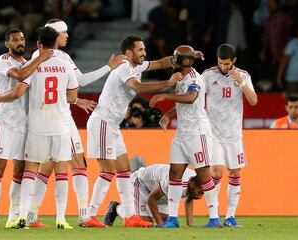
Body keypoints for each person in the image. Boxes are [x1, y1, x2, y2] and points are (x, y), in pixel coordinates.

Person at [25, 18, 125, 228]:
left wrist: (75, 100)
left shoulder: (35, 57)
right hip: (61, 120)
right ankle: (83, 215)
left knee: (47, 167)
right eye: (64, 33)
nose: (67, 36)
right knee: (78, 164)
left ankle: (31, 215)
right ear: (56, 35)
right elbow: (79, 81)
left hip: (39, 119)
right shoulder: (61, 58)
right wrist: (108, 67)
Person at [85, 34, 188, 228]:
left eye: (144, 49)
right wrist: (168, 84)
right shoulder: (124, 67)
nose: (144, 53)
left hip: (112, 125)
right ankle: (89, 215)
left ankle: (131, 216)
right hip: (102, 122)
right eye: (140, 50)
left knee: (124, 171)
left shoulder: (137, 65)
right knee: (107, 172)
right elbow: (138, 87)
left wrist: (184, 57)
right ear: (129, 52)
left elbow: (160, 62)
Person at [0, 26, 79, 229]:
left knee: (30, 171)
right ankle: (61, 218)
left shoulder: (32, 65)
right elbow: (73, 97)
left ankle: (23, 215)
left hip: (37, 125)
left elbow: (18, 91)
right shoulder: (66, 64)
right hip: (60, 124)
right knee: (61, 172)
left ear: (39, 45)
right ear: (56, 42)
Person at [0, 28, 53, 230]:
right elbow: (20, 76)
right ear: (7, 43)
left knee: (20, 171)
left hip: (24, 123)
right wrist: (40, 59)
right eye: (15, 40)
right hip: (5, 121)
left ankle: (13, 214)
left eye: (22, 38)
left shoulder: (28, 63)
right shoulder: (3, 60)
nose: (20, 42)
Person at [150, 45, 220, 228]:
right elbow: (183, 104)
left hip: (198, 133)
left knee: (204, 175)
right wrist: (168, 115)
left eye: (176, 59)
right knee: (175, 173)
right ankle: (173, 218)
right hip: (182, 133)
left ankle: (214, 218)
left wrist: (165, 96)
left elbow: (190, 98)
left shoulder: (195, 78)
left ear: (183, 62)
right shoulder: (181, 77)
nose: (172, 62)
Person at [201, 43, 258, 227]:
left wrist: (241, 82)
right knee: (216, 172)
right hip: (213, 134)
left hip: (233, 135)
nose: (223, 67)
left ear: (234, 60)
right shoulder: (208, 75)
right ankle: (214, 216)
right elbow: (196, 98)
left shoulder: (244, 75)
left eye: (226, 64)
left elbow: (254, 101)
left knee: (234, 173)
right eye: (220, 63)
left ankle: (230, 217)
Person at [103, 164, 204, 227]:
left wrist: (189, 224)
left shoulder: (195, 181)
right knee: (143, 222)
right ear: (192, 184)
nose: (200, 197)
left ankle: (139, 211)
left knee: (164, 218)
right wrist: (161, 225)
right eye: (200, 193)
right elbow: (151, 199)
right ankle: (116, 208)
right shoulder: (175, 182)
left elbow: (189, 198)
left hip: (160, 192)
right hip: (142, 184)